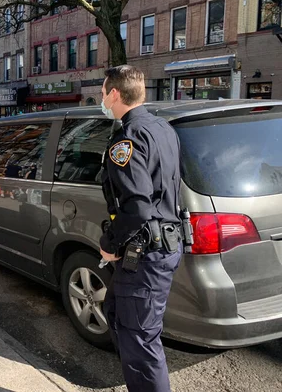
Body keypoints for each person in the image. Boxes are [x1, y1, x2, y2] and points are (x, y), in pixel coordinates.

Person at [98, 65, 182, 392]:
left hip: (146, 252)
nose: (102, 98)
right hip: (152, 249)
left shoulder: (128, 139)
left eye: (104, 91)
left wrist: (110, 243)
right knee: (117, 312)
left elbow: (138, 205)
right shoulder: (163, 128)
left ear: (115, 94)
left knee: (141, 341)